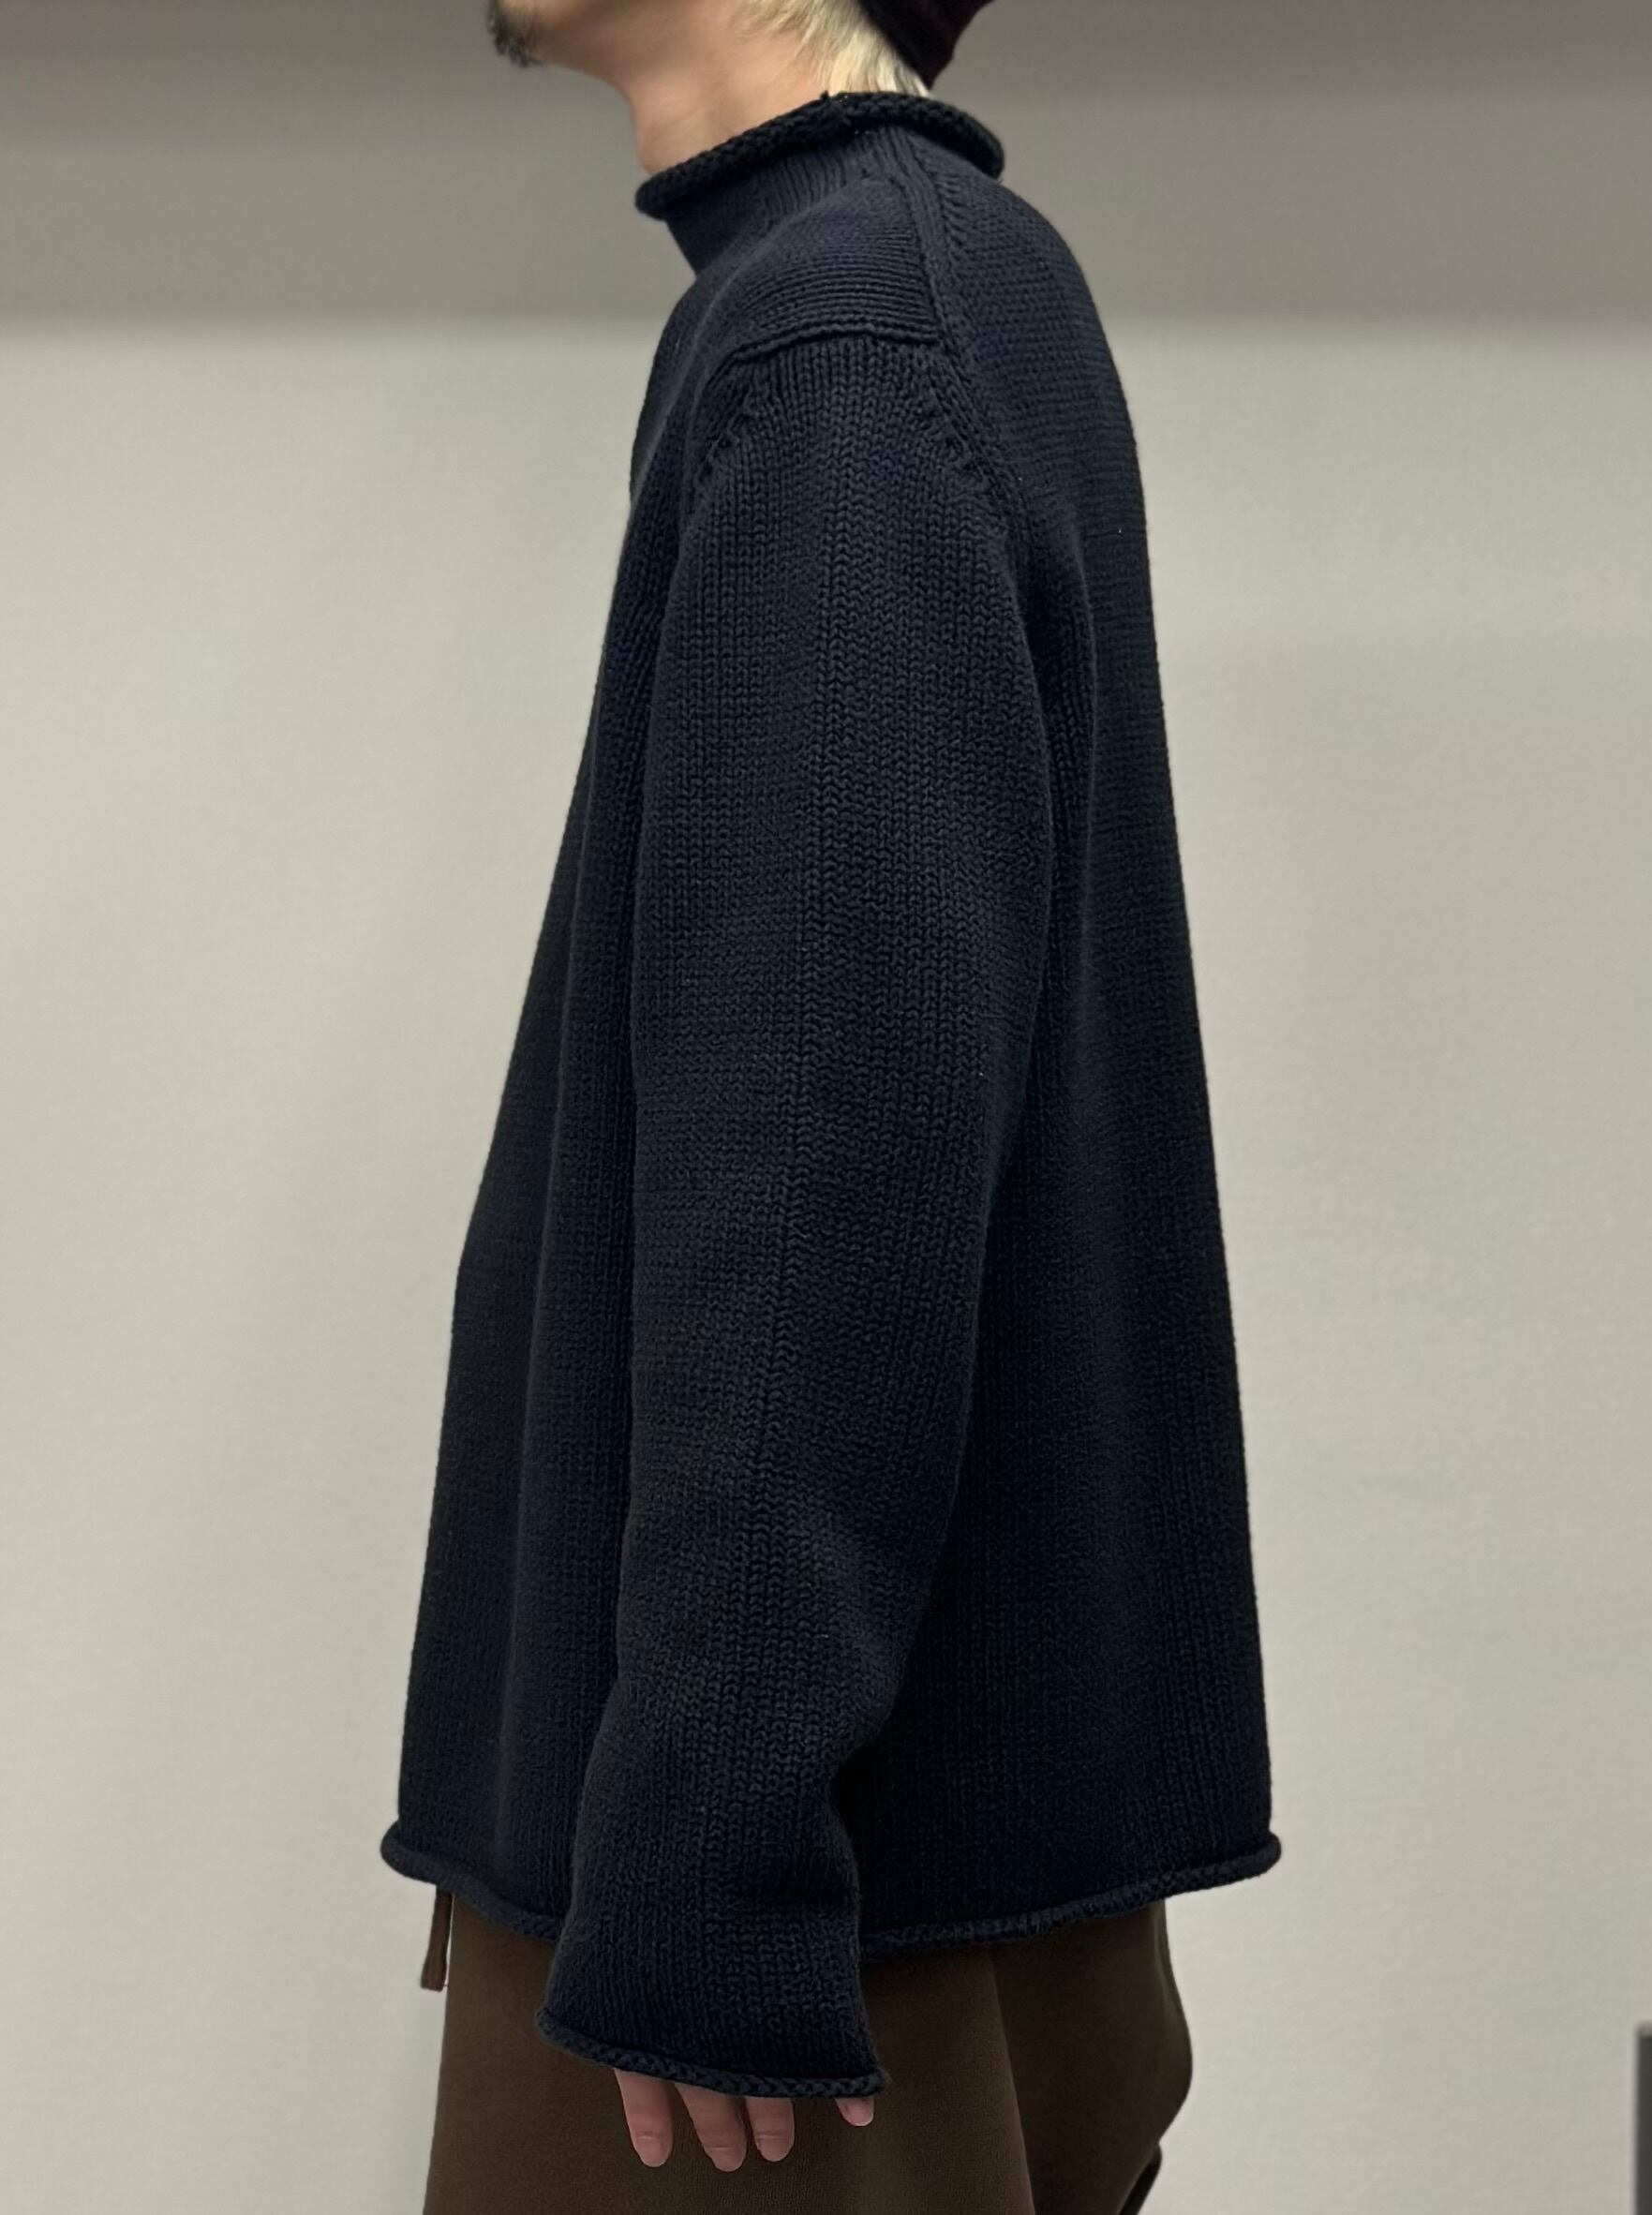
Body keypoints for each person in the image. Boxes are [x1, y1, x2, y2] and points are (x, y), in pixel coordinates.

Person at [380, 1, 1281, 2207]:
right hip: (900, 1864)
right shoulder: (919, 287)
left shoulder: (845, 342)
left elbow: (819, 1170)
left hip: (804, 1959)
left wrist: (712, 1855)